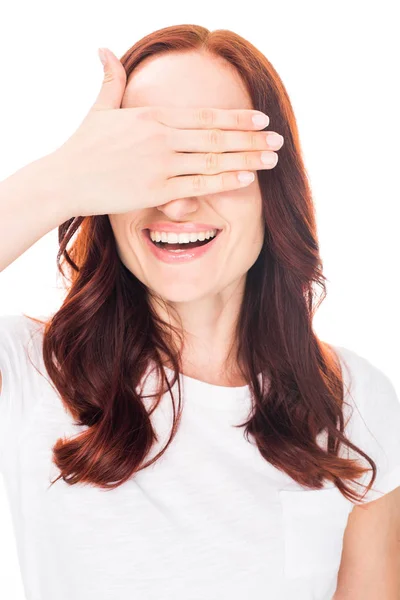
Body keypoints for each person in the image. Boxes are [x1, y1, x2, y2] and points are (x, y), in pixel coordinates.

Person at [0, 24, 399, 600]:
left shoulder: (355, 400)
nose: (177, 200)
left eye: (211, 160)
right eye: (147, 162)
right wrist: (58, 181)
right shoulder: (29, 371)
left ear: (272, 186)